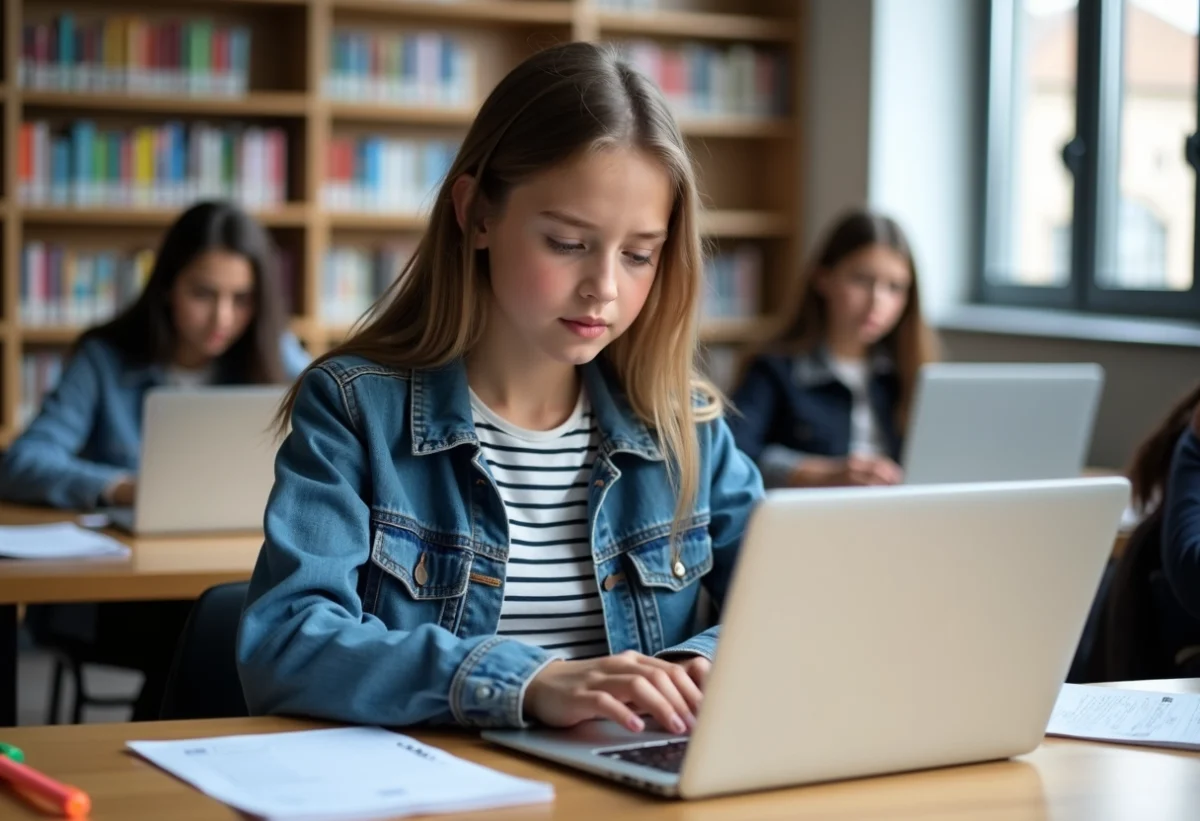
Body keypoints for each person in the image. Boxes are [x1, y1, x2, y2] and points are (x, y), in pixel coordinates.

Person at [237, 42, 764, 735]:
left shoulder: (683, 425)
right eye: (568, 242)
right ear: (477, 213)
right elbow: (285, 643)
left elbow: (790, 606)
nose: (604, 287)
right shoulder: (355, 407)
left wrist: (690, 672)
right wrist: (529, 680)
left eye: (639, 254)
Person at [0, 199, 309, 721]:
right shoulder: (104, 358)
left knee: (239, 616)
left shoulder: (275, 356)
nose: (223, 317)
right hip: (121, 603)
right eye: (203, 294)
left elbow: (343, 421)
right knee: (217, 631)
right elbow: (21, 461)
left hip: (225, 573)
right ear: (166, 285)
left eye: (242, 298)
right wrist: (120, 487)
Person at [727, 211, 936, 488]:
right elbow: (735, 457)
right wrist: (824, 474)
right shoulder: (773, 367)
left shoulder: (915, 373)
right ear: (823, 279)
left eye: (895, 287)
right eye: (861, 280)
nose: (877, 301)